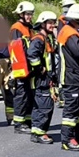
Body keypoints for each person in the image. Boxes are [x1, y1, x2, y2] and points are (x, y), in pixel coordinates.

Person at [57, 3, 79, 151]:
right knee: (71, 110)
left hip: (77, 77)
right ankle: (67, 140)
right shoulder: (69, 33)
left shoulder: (70, 31)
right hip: (72, 78)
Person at [26, 11, 59, 145]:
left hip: (47, 78)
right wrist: (40, 68)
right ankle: (39, 133)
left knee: (42, 105)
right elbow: (32, 55)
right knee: (44, 106)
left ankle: (38, 131)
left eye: (53, 23)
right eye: (50, 23)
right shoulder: (38, 39)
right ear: (42, 24)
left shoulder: (47, 39)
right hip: (41, 79)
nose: (53, 25)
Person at [7, 1, 36, 133]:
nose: (30, 17)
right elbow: (15, 49)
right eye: (28, 14)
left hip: (29, 66)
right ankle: (18, 123)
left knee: (30, 94)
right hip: (21, 67)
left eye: (31, 14)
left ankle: (27, 120)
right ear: (21, 14)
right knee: (21, 95)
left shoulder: (29, 27)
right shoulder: (16, 28)